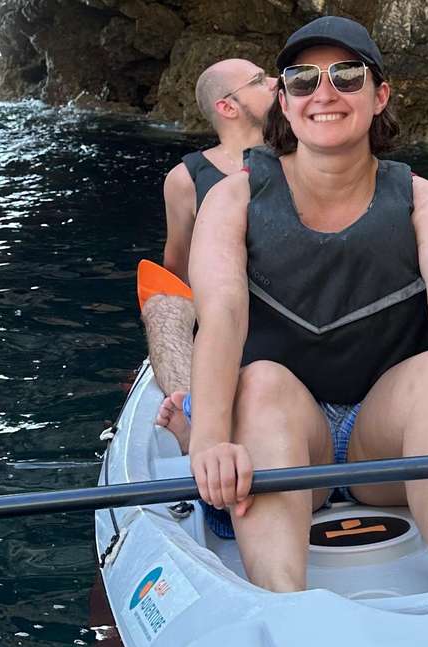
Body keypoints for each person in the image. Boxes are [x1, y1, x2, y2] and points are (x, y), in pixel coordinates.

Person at [184, 16, 428, 593]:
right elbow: (221, 317)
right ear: (285, 101)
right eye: (303, 80)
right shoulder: (233, 198)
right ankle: (282, 603)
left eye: (347, 76)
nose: (325, 93)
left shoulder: (424, 201)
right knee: (262, 381)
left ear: (380, 96)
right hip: (288, 441)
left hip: (388, 445)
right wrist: (211, 441)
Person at [145, 59, 276, 450]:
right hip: (222, 312)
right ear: (227, 106)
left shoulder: (303, 158)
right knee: (163, 305)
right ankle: (193, 412)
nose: (276, 82)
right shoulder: (185, 179)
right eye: (259, 80)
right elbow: (177, 269)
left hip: (285, 302)